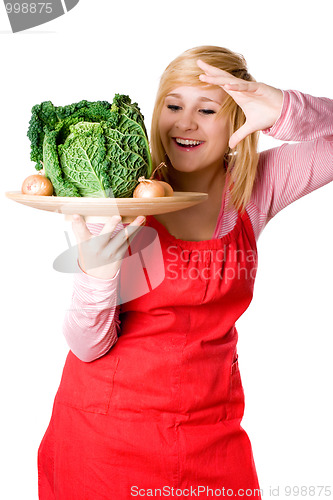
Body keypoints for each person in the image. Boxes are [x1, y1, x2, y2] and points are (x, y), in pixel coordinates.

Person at [38, 46, 333, 499]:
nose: (185, 123)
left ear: (239, 120)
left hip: (211, 437)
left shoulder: (254, 189)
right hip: (105, 440)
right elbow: (87, 343)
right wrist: (96, 274)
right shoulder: (125, 199)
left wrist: (283, 109)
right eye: (173, 106)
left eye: (208, 108)